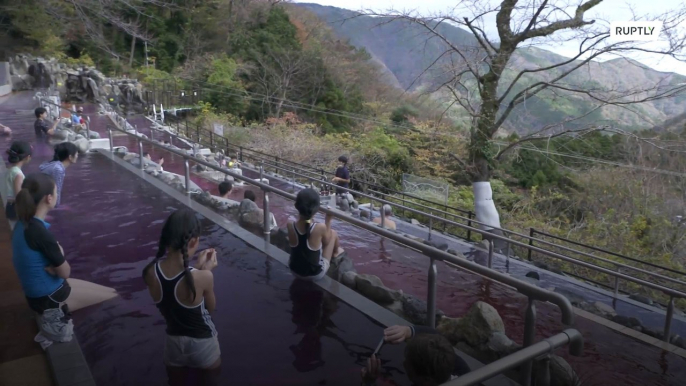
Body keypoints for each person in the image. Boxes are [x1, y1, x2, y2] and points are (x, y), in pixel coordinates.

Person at [12, 173, 117, 315]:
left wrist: (56, 262)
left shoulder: (23, 222)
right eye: (56, 192)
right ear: (49, 198)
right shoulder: (40, 232)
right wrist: (59, 252)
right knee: (113, 297)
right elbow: (65, 272)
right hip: (48, 298)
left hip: (43, 290)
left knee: (112, 291)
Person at [142, 208, 221, 385]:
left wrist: (198, 270)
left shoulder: (149, 272)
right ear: (193, 242)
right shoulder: (202, 277)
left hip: (173, 344)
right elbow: (210, 309)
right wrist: (204, 271)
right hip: (203, 344)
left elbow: (174, 297)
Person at [361, 325, 470, 386]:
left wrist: (368, 381)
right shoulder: (455, 365)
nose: (403, 362)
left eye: (408, 364)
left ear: (426, 380)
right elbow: (434, 333)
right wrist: (407, 331)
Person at [287, 188, 343, 281]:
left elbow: (303, 224)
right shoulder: (319, 227)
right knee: (333, 233)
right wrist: (328, 220)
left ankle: (335, 252)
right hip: (314, 274)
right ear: (316, 209)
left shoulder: (290, 225)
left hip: (294, 270)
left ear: (296, 206)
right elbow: (327, 242)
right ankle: (336, 252)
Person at [39, 142, 79, 207]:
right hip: (43, 203)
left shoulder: (53, 164)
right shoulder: (58, 169)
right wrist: (57, 207)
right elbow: (57, 191)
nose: (77, 156)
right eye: (76, 154)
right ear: (70, 157)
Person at [5, 141, 32, 225]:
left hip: (9, 205)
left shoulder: (10, 169)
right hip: (16, 208)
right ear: (27, 157)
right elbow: (19, 196)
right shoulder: (18, 175)